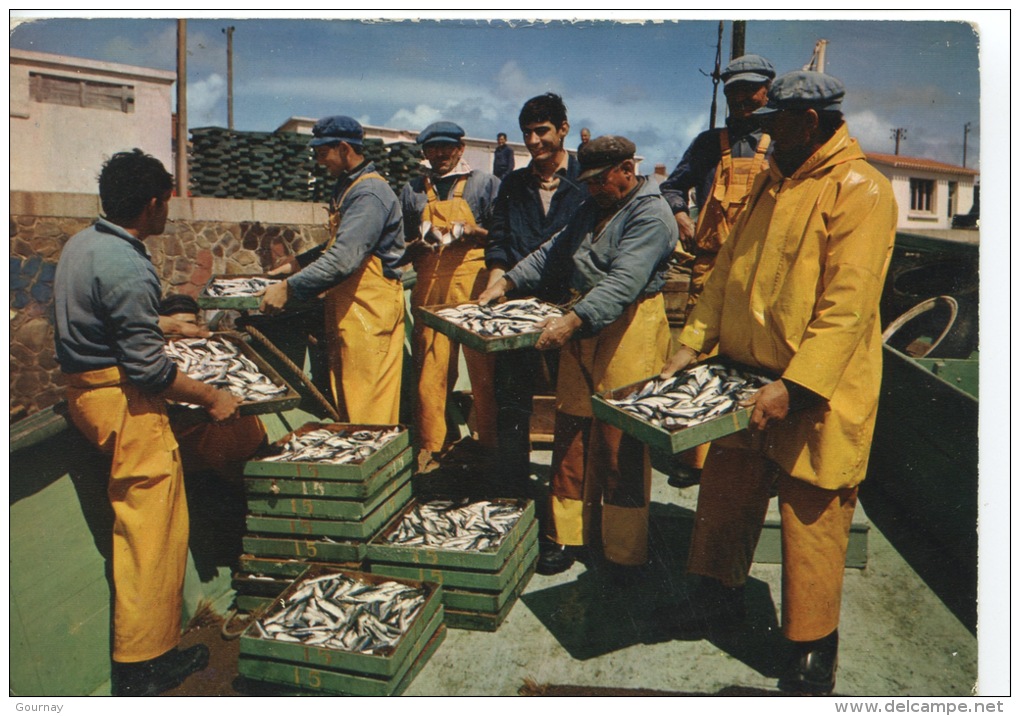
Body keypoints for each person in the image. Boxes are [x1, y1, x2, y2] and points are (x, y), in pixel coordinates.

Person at [657, 71, 898, 695]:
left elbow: (846, 308)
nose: (762, 140)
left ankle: (811, 648)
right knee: (725, 498)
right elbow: (725, 275)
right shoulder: (769, 183)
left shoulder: (861, 190)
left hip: (816, 393)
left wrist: (795, 386)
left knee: (812, 518)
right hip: (740, 381)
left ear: (808, 124)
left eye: (773, 127)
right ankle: (715, 600)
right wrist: (690, 345)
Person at [53, 149, 244, 696]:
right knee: (150, 533)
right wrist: (212, 398)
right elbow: (149, 371)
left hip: (85, 396)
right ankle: (144, 666)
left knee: (144, 528)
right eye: (167, 200)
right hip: (124, 404)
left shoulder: (85, 243)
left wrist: (163, 324)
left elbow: (103, 319)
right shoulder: (128, 263)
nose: (169, 210)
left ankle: (144, 655)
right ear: (154, 203)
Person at [479, 135, 678, 582]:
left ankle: (623, 553)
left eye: (599, 180)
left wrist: (571, 322)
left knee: (619, 445)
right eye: (584, 182)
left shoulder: (652, 213)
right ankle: (566, 536)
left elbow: (625, 282)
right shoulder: (592, 206)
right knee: (570, 435)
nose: (590, 189)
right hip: (584, 324)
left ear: (628, 169)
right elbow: (554, 251)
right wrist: (507, 283)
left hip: (629, 329)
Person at [658, 53, 776, 487]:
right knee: (699, 354)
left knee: (756, 357)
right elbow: (673, 185)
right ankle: (695, 461)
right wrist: (681, 215)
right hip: (708, 269)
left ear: (769, 89)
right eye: (734, 90)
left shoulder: (783, 140)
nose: (743, 97)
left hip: (763, 270)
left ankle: (750, 456)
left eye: (751, 89)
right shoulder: (710, 142)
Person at [262, 115, 406, 425]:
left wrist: (289, 288)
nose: (319, 160)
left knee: (369, 402)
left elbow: (343, 258)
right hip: (352, 306)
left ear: (343, 148)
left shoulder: (369, 194)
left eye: (322, 152)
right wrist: (296, 263)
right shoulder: (349, 186)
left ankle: (373, 468)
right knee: (351, 396)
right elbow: (338, 243)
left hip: (371, 309)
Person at [484, 92, 587, 497]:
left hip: (572, 307)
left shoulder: (584, 181)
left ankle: (568, 497)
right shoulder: (512, 183)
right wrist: (495, 286)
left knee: (574, 404)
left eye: (542, 131)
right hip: (516, 304)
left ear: (563, 128)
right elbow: (499, 241)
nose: (533, 141)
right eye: (527, 133)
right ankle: (511, 490)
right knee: (512, 401)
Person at [400, 121, 501, 473]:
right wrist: (417, 244)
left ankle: (489, 445)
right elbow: (401, 246)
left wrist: (473, 233)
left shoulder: (485, 183)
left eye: (447, 147)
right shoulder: (411, 191)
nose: (441, 154)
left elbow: (503, 237)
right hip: (429, 286)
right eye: (433, 148)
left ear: (461, 148)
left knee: (484, 370)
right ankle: (431, 449)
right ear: (424, 151)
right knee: (430, 369)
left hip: (475, 285)